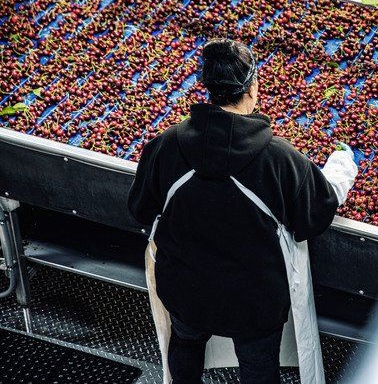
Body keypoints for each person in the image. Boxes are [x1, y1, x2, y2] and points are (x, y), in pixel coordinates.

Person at [128, 39, 357, 384]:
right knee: (258, 364)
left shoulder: (167, 145)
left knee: (186, 344)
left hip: (186, 289)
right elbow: (313, 215)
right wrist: (341, 167)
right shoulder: (279, 159)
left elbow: (141, 209)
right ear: (252, 88)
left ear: (208, 89)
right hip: (253, 302)